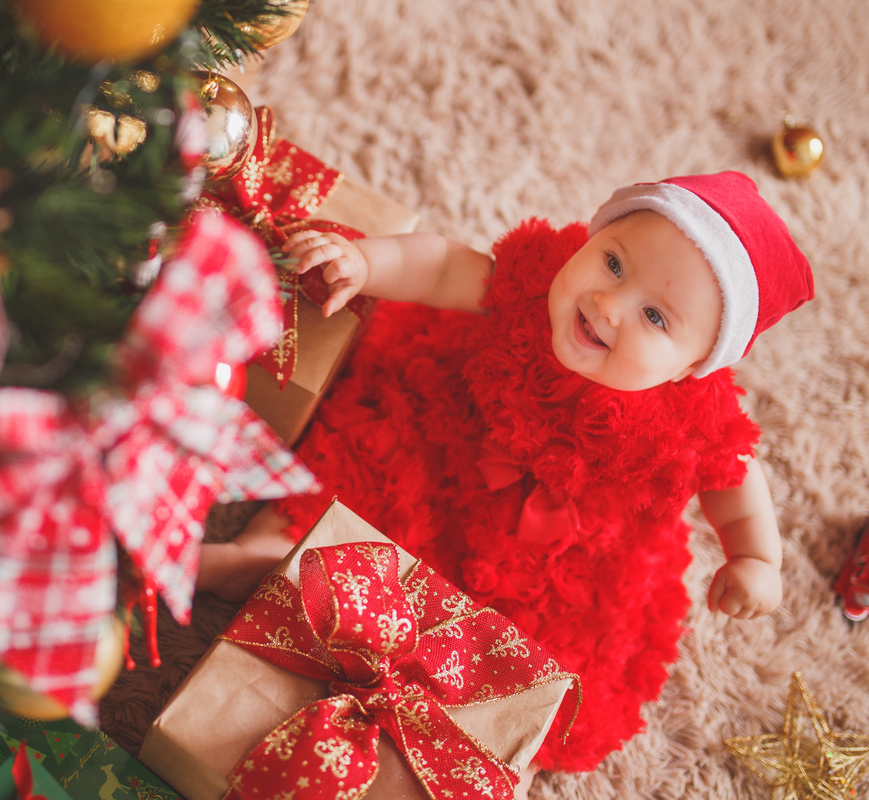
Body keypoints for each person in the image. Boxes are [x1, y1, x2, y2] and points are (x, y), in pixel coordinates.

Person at [196, 172, 814, 793]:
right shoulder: (537, 279)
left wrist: (756, 558)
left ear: (691, 369)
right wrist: (366, 261)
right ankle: (270, 552)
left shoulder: (693, 420)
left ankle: (461, 741)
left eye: (654, 316)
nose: (608, 304)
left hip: (556, 555)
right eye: (614, 263)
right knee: (355, 477)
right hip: (443, 448)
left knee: (515, 667)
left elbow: (736, 481)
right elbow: (440, 266)